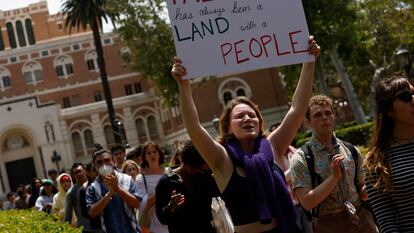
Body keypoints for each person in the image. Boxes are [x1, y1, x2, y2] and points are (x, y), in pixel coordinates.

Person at [171, 36, 319, 233]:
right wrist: (184, 87)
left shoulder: (273, 146)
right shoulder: (221, 159)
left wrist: (309, 62)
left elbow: (297, 108)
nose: (248, 119)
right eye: (240, 116)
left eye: (252, 115)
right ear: (228, 127)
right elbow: (194, 127)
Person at [290, 95, 377, 233]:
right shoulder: (302, 158)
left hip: (362, 220)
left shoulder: (351, 149)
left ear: (333, 116)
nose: (324, 118)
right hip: (328, 224)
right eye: (317, 115)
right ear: (308, 122)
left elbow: (362, 189)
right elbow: (306, 203)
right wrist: (334, 177)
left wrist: (372, 185)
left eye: (328, 113)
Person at [364, 74, 414, 233]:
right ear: (389, 111)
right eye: (406, 96)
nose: (413, 99)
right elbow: (386, 219)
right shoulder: (376, 160)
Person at [155, 140, 220, 233]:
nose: (202, 171)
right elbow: (162, 219)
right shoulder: (165, 182)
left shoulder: (206, 176)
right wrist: (170, 207)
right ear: (188, 166)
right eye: (199, 169)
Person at [86, 144, 141, 233]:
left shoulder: (127, 179)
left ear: (113, 162)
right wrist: (108, 195)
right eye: (99, 162)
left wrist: (118, 189)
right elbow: (92, 212)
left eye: (107, 160)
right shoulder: (92, 188)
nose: (104, 165)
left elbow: (137, 204)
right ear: (95, 166)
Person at [270, 122, 313, 233]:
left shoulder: (295, 152)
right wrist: (289, 174)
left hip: (304, 201)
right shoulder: (269, 157)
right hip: (288, 205)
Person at [136, 141, 169, 233]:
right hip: (154, 219)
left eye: (154, 152)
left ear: (159, 154)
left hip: (171, 214)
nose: (152, 155)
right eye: (149, 153)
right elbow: (142, 202)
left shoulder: (168, 171)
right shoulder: (141, 178)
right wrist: (160, 193)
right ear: (144, 157)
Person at [65, 163, 100, 233]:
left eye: (80, 171)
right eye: (75, 173)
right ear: (73, 176)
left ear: (85, 171)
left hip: (101, 226)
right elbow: (68, 214)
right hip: (86, 229)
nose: (78, 174)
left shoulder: (95, 184)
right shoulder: (71, 192)